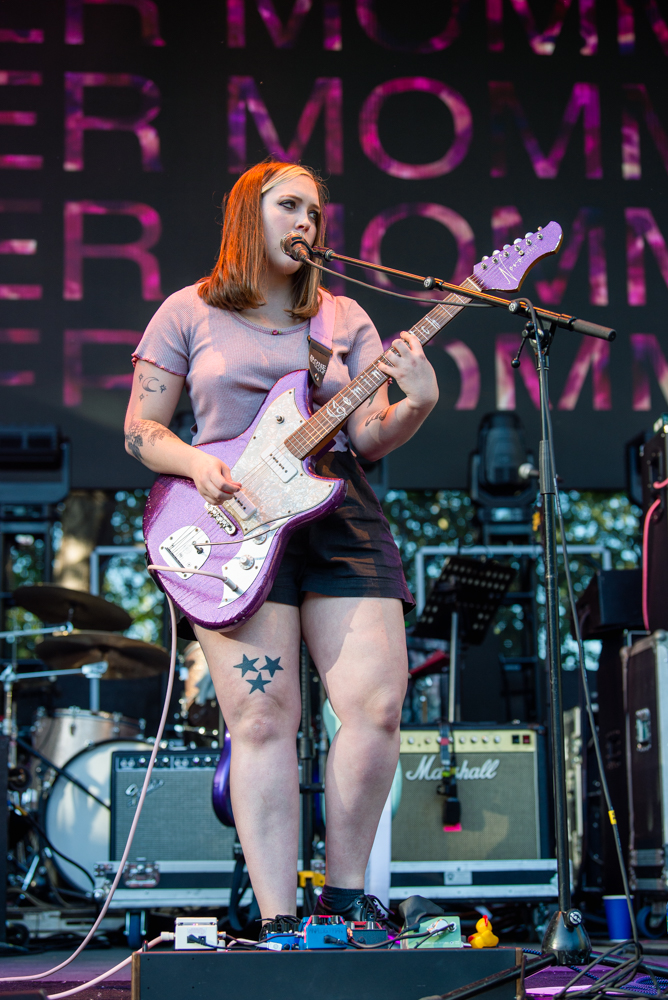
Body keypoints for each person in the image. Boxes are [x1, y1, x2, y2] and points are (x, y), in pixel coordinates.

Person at [124, 160, 439, 935]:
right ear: (247, 216)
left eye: (316, 211)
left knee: (376, 707)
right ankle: (277, 921)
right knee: (262, 718)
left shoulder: (343, 319)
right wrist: (199, 462)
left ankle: (345, 899)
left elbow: (366, 437)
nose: (307, 221)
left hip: (339, 511)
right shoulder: (186, 311)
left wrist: (419, 400)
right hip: (229, 519)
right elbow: (141, 430)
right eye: (288, 205)